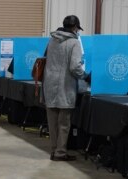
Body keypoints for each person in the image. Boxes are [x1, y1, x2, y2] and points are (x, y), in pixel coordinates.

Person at [43, 15, 90, 161]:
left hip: (49, 86)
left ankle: (53, 150)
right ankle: (60, 153)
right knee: (63, 123)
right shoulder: (74, 43)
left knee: (52, 122)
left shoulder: (52, 40)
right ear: (75, 28)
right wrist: (86, 76)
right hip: (65, 87)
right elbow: (75, 67)